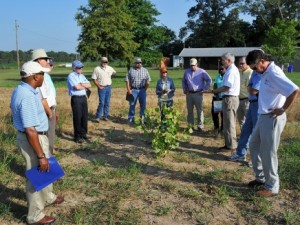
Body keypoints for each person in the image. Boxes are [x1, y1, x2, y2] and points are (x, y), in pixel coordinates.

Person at [10, 61, 64, 225]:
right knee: (36, 175)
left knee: (45, 171)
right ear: (35, 76)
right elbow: (30, 130)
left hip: (38, 136)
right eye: (42, 74)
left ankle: (48, 197)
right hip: (33, 138)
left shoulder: (26, 90)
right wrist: (40, 156)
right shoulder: (26, 96)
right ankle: (35, 216)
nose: (44, 77)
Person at [246, 50, 299, 197]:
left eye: (255, 67)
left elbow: (294, 90)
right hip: (263, 115)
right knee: (254, 145)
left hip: (272, 118)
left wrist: (282, 109)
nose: (255, 70)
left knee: (268, 152)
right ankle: (261, 178)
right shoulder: (265, 73)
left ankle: (272, 187)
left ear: (262, 61)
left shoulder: (274, 73)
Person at [208, 53, 240, 151]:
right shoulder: (231, 70)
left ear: (229, 61)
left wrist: (214, 91)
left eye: (223, 60)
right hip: (229, 98)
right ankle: (228, 144)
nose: (222, 62)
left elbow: (227, 86)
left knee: (229, 123)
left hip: (230, 99)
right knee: (227, 122)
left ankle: (231, 145)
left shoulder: (231, 71)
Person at [228, 70, 261, 162]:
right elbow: (250, 87)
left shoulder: (262, 74)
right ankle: (241, 154)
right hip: (252, 103)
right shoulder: (254, 73)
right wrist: (250, 87)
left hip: (258, 104)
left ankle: (256, 160)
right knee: (246, 130)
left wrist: (250, 87)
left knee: (257, 133)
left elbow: (253, 90)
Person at [31, 49, 57, 155]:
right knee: (47, 133)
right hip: (46, 109)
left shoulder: (45, 74)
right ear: (38, 61)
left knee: (50, 132)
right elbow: (42, 98)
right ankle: (47, 155)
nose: (47, 61)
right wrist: (50, 113)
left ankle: (48, 152)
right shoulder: (38, 76)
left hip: (50, 107)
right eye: (45, 59)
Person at [182, 58, 212, 131]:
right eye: (191, 65)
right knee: (190, 111)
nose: (192, 67)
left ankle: (200, 126)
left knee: (199, 110)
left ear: (197, 64)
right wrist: (184, 89)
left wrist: (204, 89)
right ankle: (190, 126)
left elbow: (209, 80)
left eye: (194, 65)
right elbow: (184, 81)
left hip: (198, 93)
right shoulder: (186, 72)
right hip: (189, 94)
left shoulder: (202, 71)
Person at [67, 60, 91, 143]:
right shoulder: (71, 76)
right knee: (78, 117)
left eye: (81, 67)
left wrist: (82, 84)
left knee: (84, 116)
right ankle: (77, 137)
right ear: (74, 68)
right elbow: (77, 87)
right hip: (76, 98)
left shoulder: (82, 76)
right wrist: (83, 85)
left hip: (83, 97)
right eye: (79, 67)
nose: (81, 69)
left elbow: (89, 84)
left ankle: (84, 134)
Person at [125, 57, 151, 123]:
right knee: (132, 104)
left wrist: (145, 89)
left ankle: (143, 118)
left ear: (141, 63)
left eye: (140, 63)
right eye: (137, 63)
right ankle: (131, 118)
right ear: (135, 63)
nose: (139, 64)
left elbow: (148, 80)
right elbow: (127, 80)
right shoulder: (131, 70)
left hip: (142, 90)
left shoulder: (145, 70)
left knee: (143, 105)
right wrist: (128, 90)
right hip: (133, 90)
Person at [91, 57, 116, 122]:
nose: (104, 63)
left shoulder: (110, 68)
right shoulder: (97, 69)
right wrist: (98, 86)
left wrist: (110, 78)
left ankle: (105, 116)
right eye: (103, 62)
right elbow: (94, 79)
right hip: (101, 87)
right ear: (101, 62)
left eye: (106, 62)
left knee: (107, 102)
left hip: (108, 87)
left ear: (107, 62)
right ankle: (98, 117)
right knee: (102, 102)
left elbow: (114, 73)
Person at [237, 57, 252, 129]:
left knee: (248, 120)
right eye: (240, 64)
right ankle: (243, 136)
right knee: (240, 120)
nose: (241, 65)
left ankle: (250, 138)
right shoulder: (239, 72)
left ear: (247, 64)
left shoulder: (250, 72)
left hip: (247, 100)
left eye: (242, 63)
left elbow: (250, 87)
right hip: (239, 99)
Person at [211, 66, 226, 136]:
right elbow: (215, 86)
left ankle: (222, 128)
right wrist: (216, 97)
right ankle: (216, 127)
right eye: (219, 69)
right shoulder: (218, 77)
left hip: (224, 98)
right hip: (217, 98)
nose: (220, 70)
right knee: (215, 114)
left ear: (225, 69)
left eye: (222, 69)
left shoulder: (227, 77)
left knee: (223, 115)